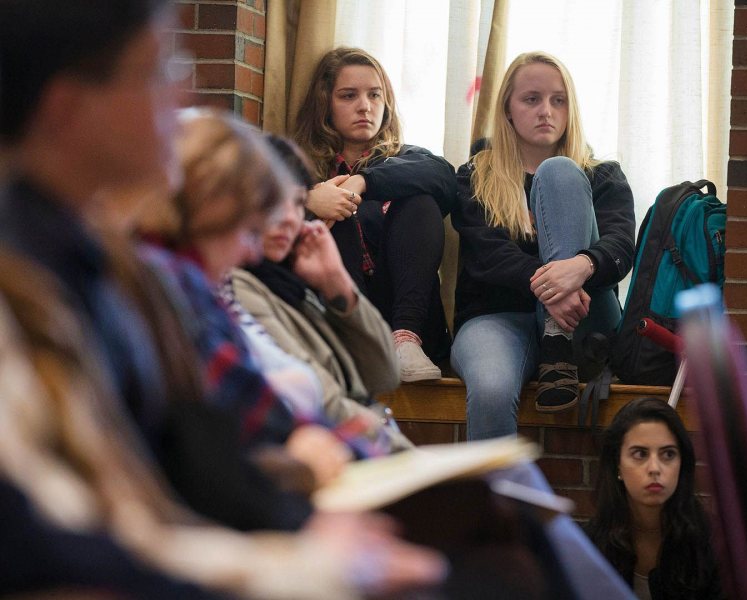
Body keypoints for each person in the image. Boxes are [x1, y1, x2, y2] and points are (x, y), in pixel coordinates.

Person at [0, 1, 445, 596]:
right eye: (159, 68)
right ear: (67, 106)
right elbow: (55, 537)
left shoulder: (97, 259)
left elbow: (186, 445)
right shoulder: (46, 274)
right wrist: (300, 559)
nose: (185, 88)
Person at [452, 51, 635, 440]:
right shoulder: (475, 176)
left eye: (558, 100)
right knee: (490, 390)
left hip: (587, 319)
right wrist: (555, 287)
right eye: (531, 99)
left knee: (560, 172)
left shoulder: (601, 175)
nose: (545, 111)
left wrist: (583, 266)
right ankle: (494, 501)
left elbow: (622, 246)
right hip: (500, 318)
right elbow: (488, 257)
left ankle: (558, 336)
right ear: (507, 110)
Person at [224, 134, 413, 452]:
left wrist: (338, 284)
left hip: (362, 441)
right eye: (272, 200)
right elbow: (322, 403)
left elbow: (384, 374)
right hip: (337, 451)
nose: (288, 218)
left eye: (298, 203)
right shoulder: (237, 287)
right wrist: (401, 450)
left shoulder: (294, 278)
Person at [294, 46, 456, 382]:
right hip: (339, 317)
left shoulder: (409, 159)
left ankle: (406, 341)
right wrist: (307, 201)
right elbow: (255, 217)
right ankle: (355, 340)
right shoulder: (298, 169)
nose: (365, 107)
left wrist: (363, 180)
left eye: (374, 95)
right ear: (325, 103)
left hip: (403, 314)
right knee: (332, 204)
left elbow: (444, 176)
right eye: (348, 95)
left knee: (419, 201)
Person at [586, 397, 721, 599]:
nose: (655, 469)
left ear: (682, 464)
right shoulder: (590, 544)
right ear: (617, 465)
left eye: (668, 454)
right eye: (640, 454)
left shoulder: (714, 541)